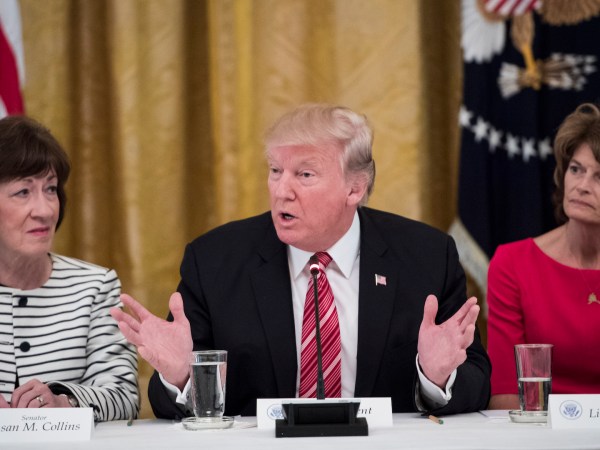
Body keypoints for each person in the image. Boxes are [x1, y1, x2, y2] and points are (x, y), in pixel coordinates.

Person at [112, 104, 491, 418]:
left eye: (304, 174)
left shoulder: (425, 256)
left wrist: (435, 378)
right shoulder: (214, 261)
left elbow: (477, 380)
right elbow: (168, 403)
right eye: (275, 171)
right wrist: (181, 377)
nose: (281, 191)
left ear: (355, 188)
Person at [0, 115, 139, 421]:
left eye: (50, 189)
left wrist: (66, 404)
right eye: (24, 192)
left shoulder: (94, 286)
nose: (45, 210)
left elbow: (124, 396)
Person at [487, 103, 600, 410]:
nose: (582, 186)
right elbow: (506, 396)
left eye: (598, 177)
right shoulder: (512, 264)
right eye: (576, 170)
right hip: (539, 434)